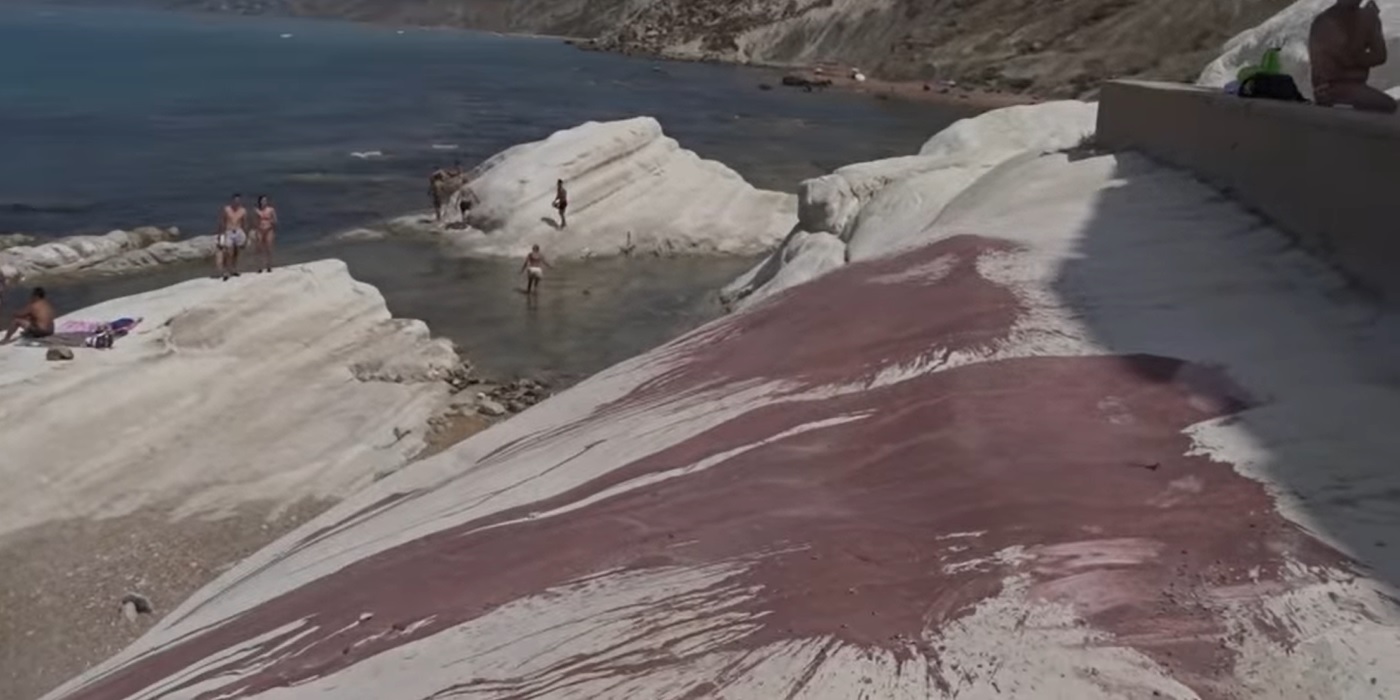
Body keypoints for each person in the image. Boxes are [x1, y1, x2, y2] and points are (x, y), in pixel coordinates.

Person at [1309, 0, 1398, 113]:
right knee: (1386, 106)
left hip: (1355, 86)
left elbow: (1380, 56)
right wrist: (1365, 25)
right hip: (1329, 88)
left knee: (1389, 106)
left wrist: (1371, 24)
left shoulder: (1366, 18)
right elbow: (1346, 58)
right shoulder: (1326, 21)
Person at [216, 193, 249, 280]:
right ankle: (226, 271)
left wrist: (246, 236)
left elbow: (245, 223)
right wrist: (220, 235)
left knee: (236, 252)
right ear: (232, 201)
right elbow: (222, 222)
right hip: (229, 231)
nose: (236, 202)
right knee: (228, 252)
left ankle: (234, 269)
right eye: (235, 200)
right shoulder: (227, 209)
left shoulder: (243, 211)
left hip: (238, 231)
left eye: (238, 200)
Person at [254, 195, 278, 273]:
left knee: (269, 248)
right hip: (260, 230)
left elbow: (275, 220)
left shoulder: (271, 210)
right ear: (259, 202)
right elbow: (254, 221)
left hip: (269, 230)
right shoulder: (256, 210)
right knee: (259, 249)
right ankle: (259, 266)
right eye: (262, 201)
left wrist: (271, 223)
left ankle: (269, 266)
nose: (264, 202)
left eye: (265, 200)